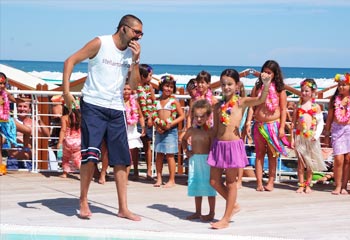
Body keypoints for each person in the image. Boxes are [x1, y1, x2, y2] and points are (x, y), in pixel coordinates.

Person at [62, 14, 143, 220]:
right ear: (124, 28)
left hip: (116, 109)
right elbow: (70, 61)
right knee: (91, 156)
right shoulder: (101, 42)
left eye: (141, 34)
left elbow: (133, 87)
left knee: (122, 160)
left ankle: (123, 208)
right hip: (93, 105)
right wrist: (66, 91)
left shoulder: (130, 54)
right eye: (137, 32)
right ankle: (83, 200)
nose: (139, 37)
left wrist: (135, 61)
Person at [208, 68, 271, 229]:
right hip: (218, 145)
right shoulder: (217, 106)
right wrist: (208, 146)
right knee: (214, 181)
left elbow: (260, 100)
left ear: (237, 86)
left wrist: (266, 84)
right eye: (223, 84)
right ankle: (233, 205)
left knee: (230, 182)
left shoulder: (241, 102)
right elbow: (215, 129)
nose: (226, 87)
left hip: (233, 146)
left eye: (229, 84)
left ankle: (226, 218)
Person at [245, 60, 289, 192]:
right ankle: (259, 182)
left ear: (275, 75)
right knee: (259, 154)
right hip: (259, 125)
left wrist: (281, 128)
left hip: (273, 125)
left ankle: (270, 181)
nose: (265, 74)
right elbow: (252, 106)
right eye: (264, 71)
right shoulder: (258, 88)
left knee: (272, 154)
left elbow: (282, 110)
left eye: (269, 72)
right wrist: (248, 122)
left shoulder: (280, 90)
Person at [181, 99, 216, 221]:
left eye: (202, 116)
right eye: (196, 116)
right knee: (197, 186)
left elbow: (214, 146)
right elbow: (183, 140)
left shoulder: (211, 131)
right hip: (195, 160)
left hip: (208, 161)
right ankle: (197, 211)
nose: (199, 119)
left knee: (210, 188)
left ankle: (211, 212)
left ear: (208, 116)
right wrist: (187, 150)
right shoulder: (192, 130)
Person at [290, 79, 327, 193]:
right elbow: (293, 123)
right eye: (302, 91)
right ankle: (301, 184)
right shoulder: (298, 105)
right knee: (301, 162)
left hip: (311, 138)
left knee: (309, 162)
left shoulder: (316, 106)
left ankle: (308, 184)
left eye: (306, 91)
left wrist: (316, 136)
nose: (304, 93)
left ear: (312, 92)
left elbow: (320, 123)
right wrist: (292, 138)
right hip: (300, 137)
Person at [152, 75, 184, 188]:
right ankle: (159, 178)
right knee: (159, 154)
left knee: (170, 155)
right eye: (166, 86)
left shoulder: (174, 101)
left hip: (170, 131)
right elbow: (153, 115)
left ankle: (172, 179)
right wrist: (157, 126)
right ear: (161, 86)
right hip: (160, 130)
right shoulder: (157, 101)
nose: (168, 89)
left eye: (171, 87)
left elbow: (181, 116)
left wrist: (171, 124)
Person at [7, 94, 50, 170]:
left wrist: (39, 120)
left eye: (25, 107)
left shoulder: (34, 123)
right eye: (20, 106)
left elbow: (47, 135)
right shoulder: (12, 122)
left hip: (29, 160)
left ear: (29, 109)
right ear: (16, 108)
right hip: (14, 159)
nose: (22, 109)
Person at [324, 73, 350, 195]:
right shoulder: (334, 100)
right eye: (339, 85)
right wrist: (327, 134)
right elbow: (329, 118)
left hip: (349, 130)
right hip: (337, 130)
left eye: (344, 85)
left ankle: (344, 185)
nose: (341, 87)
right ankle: (338, 185)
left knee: (348, 159)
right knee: (339, 158)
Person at [136, 64, 155, 180]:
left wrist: (151, 116)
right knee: (135, 146)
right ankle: (135, 171)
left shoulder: (150, 87)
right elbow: (137, 104)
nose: (151, 77)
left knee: (147, 144)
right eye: (150, 75)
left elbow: (153, 101)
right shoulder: (135, 88)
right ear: (143, 76)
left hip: (148, 118)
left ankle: (148, 170)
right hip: (137, 119)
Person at [57, 98, 82, 178]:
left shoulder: (64, 117)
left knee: (66, 157)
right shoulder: (80, 117)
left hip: (68, 140)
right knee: (77, 158)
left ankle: (65, 173)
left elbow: (63, 130)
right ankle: (82, 172)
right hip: (78, 141)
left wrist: (60, 142)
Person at [0, 72, 17, 175]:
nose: (1, 86)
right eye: (0, 83)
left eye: (3, 83)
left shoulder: (5, 93)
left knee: (0, 147)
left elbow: (14, 100)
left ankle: (1, 169)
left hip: (5, 120)